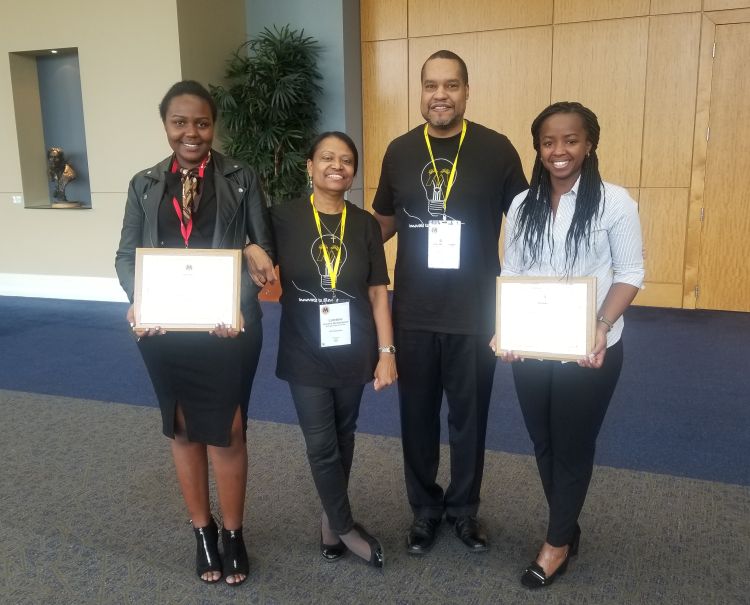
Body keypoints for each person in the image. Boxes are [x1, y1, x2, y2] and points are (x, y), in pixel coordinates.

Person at [115, 80, 276, 586]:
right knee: (182, 427)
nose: (191, 133)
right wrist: (137, 299)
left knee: (227, 430)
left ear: (213, 126)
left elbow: (264, 255)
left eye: (201, 123)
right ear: (166, 126)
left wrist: (243, 299)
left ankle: (233, 532)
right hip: (166, 328)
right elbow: (126, 256)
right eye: (179, 123)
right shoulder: (143, 184)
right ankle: (202, 530)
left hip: (229, 327)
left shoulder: (242, 177)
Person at [372, 50, 528, 554]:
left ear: (466, 90)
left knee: (470, 419)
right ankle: (424, 509)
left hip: (475, 313)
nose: (441, 95)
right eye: (432, 85)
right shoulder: (398, 151)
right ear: (421, 92)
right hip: (413, 313)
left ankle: (463, 510)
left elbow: (528, 226)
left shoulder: (497, 150)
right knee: (415, 418)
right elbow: (383, 225)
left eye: (452, 85)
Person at [495, 101, 644, 588]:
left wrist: (601, 324)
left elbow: (630, 274)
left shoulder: (614, 202)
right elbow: (512, 271)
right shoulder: (522, 206)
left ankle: (556, 544)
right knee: (544, 440)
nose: (559, 151)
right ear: (537, 149)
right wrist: (505, 325)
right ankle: (567, 524)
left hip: (589, 346)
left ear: (589, 144)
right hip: (533, 344)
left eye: (570, 140)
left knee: (573, 444)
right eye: (548, 142)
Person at [270, 131, 397, 568]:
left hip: (353, 346)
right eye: (327, 157)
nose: (336, 166)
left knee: (344, 436)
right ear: (309, 165)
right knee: (321, 443)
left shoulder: (363, 224)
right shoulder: (282, 218)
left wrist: (386, 352)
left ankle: (329, 520)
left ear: (353, 171)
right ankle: (344, 526)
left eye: (346, 160)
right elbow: (249, 251)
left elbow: (378, 291)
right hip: (304, 349)